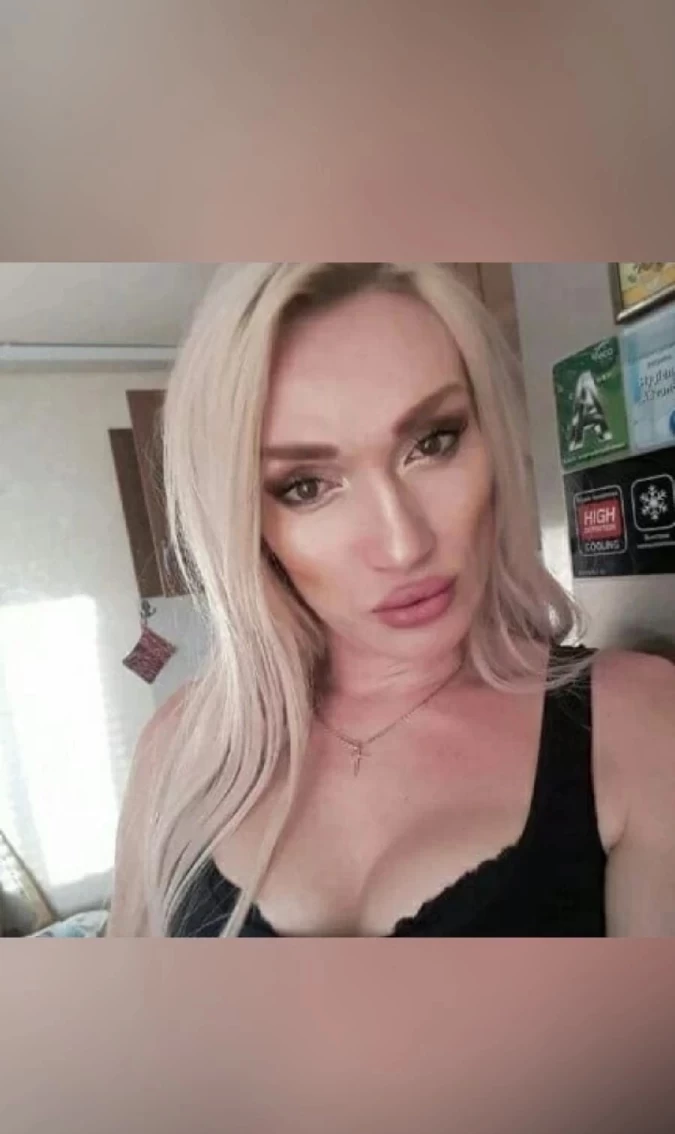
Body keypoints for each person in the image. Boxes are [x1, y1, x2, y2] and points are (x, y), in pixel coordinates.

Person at [107, 263, 675, 938]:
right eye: (306, 486)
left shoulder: (639, 719)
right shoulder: (178, 749)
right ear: (246, 524)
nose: (404, 545)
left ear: (491, 439)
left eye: (432, 443)